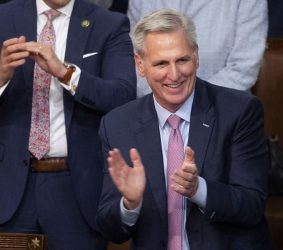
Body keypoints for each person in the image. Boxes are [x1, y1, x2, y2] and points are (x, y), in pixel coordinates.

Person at [97, 9, 272, 250]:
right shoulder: (118, 124)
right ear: (140, 65)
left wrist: (198, 189)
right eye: (161, 63)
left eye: (182, 60)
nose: (174, 74)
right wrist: (130, 203)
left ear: (196, 57)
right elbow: (111, 229)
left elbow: (252, 206)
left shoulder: (239, 111)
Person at [0, 0, 136, 249]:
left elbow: (123, 96)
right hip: (8, 191)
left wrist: (66, 73)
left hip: (76, 192)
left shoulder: (108, 24)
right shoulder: (3, 18)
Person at [127, 0, 268, 97]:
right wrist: (163, 103)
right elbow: (134, 60)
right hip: (152, 109)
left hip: (221, 111)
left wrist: (188, 102)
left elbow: (244, 68)